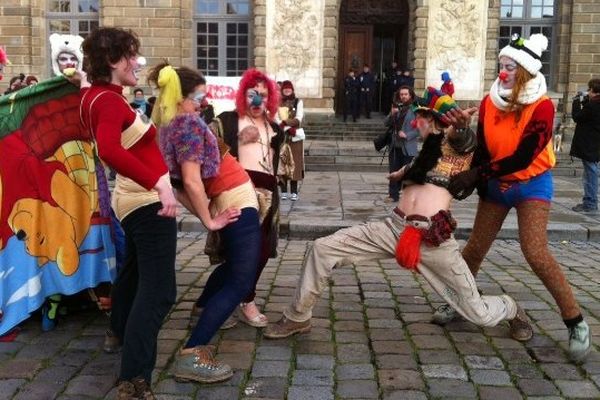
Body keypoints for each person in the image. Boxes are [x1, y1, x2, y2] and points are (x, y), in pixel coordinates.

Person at [263, 87, 533, 345]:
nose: (416, 122)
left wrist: (461, 127)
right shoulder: (423, 153)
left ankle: (510, 307)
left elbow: (464, 140)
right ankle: (298, 316)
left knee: (478, 313)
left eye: (422, 117)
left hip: (432, 239)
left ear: (435, 120)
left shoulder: (457, 147)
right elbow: (415, 169)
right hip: (393, 228)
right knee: (322, 249)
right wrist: (400, 173)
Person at [442, 33, 592, 363]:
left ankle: (576, 323)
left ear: (523, 68)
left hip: (531, 184)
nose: (503, 72)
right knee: (475, 248)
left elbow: (525, 156)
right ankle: (457, 304)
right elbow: (481, 149)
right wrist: (469, 159)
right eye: (500, 66)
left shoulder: (541, 105)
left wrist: (479, 175)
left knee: (535, 252)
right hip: (497, 184)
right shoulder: (489, 100)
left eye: (509, 66)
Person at [80, 27, 178, 399]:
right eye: (130, 56)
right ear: (111, 61)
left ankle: (117, 332)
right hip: (146, 203)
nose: (137, 62)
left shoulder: (98, 96)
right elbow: (108, 149)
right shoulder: (106, 100)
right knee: (160, 292)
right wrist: (159, 181)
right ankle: (134, 378)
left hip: (133, 200)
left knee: (134, 276)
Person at [149, 62, 261, 383]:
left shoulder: (171, 124)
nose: (203, 101)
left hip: (232, 198)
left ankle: (202, 309)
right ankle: (193, 351)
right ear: (180, 96)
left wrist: (207, 214)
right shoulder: (185, 124)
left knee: (236, 266)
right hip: (234, 201)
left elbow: (178, 185)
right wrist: (209, 220)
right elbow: (191, 181)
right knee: (241, 280)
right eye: (198, 96)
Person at [202, 68, 284, 328]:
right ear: (242, 96)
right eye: (252, 94)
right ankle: (223, 301)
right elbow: (204, 151)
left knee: (259, 254)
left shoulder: (273, 127)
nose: (257, 100)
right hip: (238, 193)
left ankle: (235, 299)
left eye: (262, 95)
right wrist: (237, 138)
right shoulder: (227, 120)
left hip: (269, 196)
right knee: (239, 255)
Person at [570, 78, 600, 213]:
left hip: (589, 145)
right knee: (591, 172)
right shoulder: (594, 104)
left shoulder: (593, 106)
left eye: (589, 90)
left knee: (590, 174)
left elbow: (577, 117)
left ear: (594, 92)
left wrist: (576, 101)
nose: (587, 92)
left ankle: (590, 203)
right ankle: (590, 201)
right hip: (595, 145)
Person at [383, 85, 418, 202]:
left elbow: (420, 128)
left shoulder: (416, 109)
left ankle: (408, 196)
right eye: (401, 94)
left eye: (405, 94)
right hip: (395, 145)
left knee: (407, 172)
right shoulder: (396, 107)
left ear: (410, 95)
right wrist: (392, 114)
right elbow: (386, 123)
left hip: (408, 146)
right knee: (393, 170)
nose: (403, 97)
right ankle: (393, 195)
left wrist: (407, 135)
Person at [276, 80, 305, 201]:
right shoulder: (278, 102)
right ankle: (283, 191)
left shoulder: (298, 102)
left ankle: (294, 191)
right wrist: (285, 127)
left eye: (289, 89)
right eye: (285, 89)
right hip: (283, 137)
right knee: (282, 163)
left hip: (294, 137)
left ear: (292, 90)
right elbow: (275, 118)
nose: (287, 91)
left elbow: (298, 118)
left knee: (295, 163)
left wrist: (286, 124)